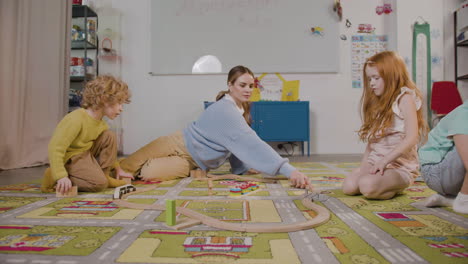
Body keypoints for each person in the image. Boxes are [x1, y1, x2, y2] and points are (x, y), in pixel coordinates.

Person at [119, 65, 311, 189]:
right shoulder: (225, 109)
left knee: (146, 172)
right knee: (126, 166)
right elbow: (253, 143)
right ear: (230, 85)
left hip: (191, 162)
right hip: (177, 143)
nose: (247, 90)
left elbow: (236, 144)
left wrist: (240, 169)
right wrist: (289, 170)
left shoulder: (239, 111)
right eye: (242, 85)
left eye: (251, 86)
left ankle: (130, 174)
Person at [342, 51, 428, 199]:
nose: (371, 84)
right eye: (369, 79)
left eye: (376, 78)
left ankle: (395, 187)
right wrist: (364, 167)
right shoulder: (378, 102)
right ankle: (380, 183)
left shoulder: (405, 98)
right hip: (377, 162)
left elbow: (412, 138)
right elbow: (372, 142)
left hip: (400, 167)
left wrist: (384, 161)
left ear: (392, 76)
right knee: (349, 187)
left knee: (367, 187)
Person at [41, 75, 134, 194]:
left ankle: (104, 176)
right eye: (119, 103)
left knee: (109, 135)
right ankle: (55, 175)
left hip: (86, 153)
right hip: (71, 158)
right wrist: (60, 176)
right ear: (104, 99)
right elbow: (55, 148)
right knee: (99, 184)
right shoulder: (75, 119)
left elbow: (108, 151)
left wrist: (118, 169)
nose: (121, 109)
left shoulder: (101, 123)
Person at [418, 100, 468, 214]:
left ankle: (451, 200)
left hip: (451, 171)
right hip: (436, 172)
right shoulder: (465, 113)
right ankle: (463, 200)